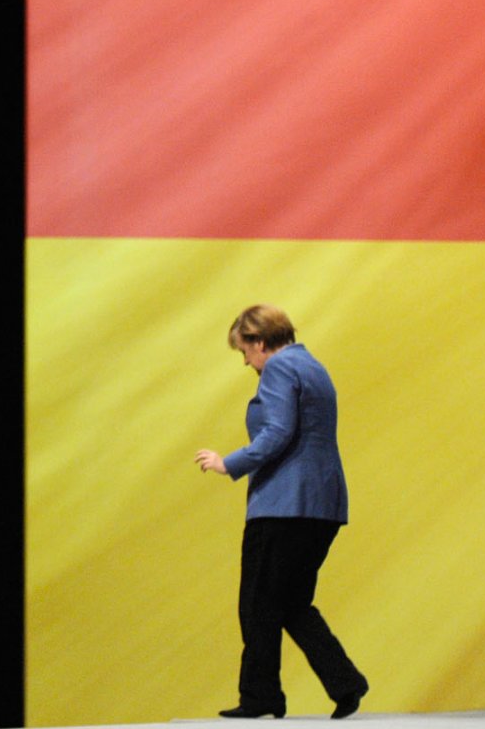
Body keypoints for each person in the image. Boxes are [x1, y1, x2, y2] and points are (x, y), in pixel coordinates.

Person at [195, 305, 369, 720]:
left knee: (257, 604)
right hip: (323, 506)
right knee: (290, 602)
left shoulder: (277, 369)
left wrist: (229, 463)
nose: (246, 362)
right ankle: (344, 683)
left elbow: (277, 431)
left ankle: (261, 697)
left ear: (259, 341)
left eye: (244, 351)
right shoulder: (314, 367)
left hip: (283, 505)